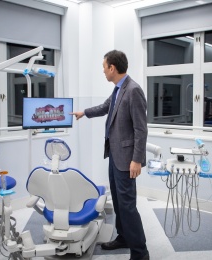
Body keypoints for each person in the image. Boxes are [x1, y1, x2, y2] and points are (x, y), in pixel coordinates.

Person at [71, 50, 149, 260]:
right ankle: (123, 237)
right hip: (114, 155)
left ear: (112, 68)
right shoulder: (118, 90)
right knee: (117, 201)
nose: (103, 71)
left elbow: (141, 129)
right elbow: (106, 107)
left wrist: (136, 160)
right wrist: (84, 113)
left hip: (127, 159)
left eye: (104, 67)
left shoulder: (133, 90)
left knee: (128, 206)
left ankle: (141, 253)